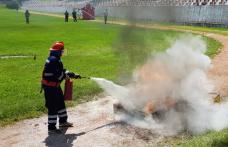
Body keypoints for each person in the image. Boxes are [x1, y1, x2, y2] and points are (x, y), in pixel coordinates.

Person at [41, 41, 81, 134]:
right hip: (50, 87)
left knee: (60, 103)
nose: (62, 53)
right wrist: (67, 75)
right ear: (58, 52)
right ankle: (51, 128)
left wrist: (72, 74)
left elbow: (61, 70)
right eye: (62, 51)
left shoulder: (55, 59)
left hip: (55, 86)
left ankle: (63, 121)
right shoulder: (53, 60)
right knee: (53, 107)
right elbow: (59, 76)